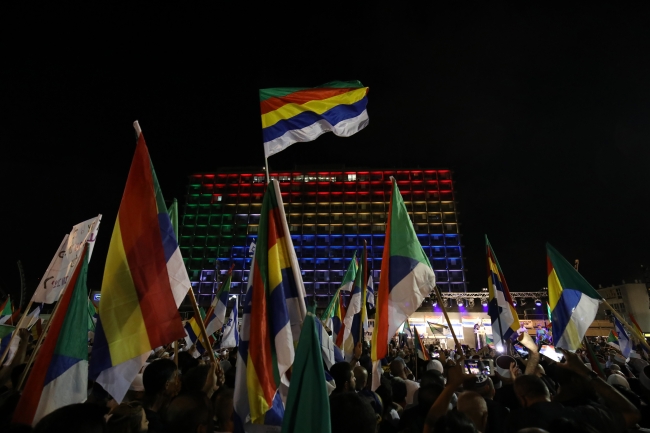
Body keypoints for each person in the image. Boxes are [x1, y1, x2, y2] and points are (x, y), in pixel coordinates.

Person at [507, 348, 640, 433]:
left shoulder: (516, 421)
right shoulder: (587, 416)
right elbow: (632, 414)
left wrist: (517, 383)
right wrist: (586, 372)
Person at [142, 358, 181, 432]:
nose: (178, 382)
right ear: (167, 385)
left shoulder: (141, 412)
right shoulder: (155, 426)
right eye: (175, 378)